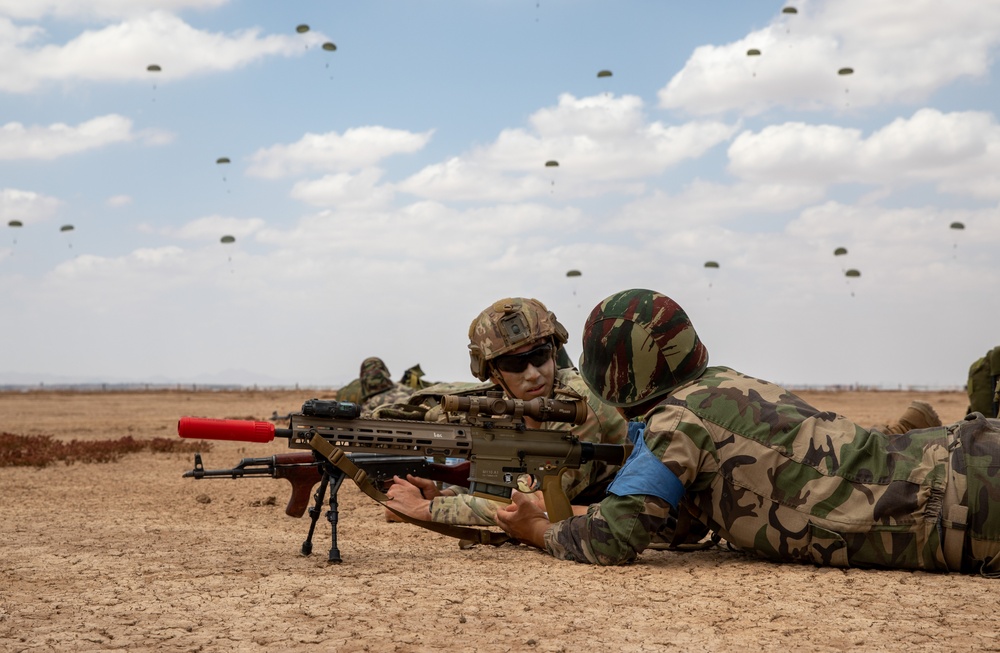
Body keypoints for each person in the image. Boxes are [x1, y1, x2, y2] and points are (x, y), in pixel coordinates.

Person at [495, 288, 1000, 575]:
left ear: (617, 377)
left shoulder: (676, 423)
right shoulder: (724, 384)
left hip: (960, 502)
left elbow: (612, 539)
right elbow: (681, 524)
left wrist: (534, 528)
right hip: (962, 457)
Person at [384, 297, 629, 526]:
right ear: (492, 373)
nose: (533, 373)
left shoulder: (577, 405)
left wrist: (426, 509)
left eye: (540, 355)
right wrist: (445, 494)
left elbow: (531, 500)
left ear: (554, 351)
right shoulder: (506, 405)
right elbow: (504, 479)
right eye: (515, 364)